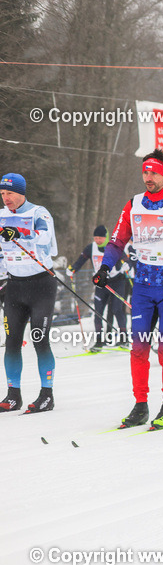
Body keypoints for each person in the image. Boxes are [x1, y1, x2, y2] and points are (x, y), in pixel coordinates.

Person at [97, 150, 163, 428]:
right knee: (138, 349)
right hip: (142, 286)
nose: (148, 177)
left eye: (153, 172)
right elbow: (117, 241)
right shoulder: (134, 204)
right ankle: (140, 405)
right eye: (145, 171)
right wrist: (105, 267)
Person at [0, 172, 58, 413]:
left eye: (10, 193)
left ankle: (47, 395)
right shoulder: (1, 216)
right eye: (2, 193)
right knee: (12, 342)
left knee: (39, 340)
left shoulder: (38, 213)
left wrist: (20, 233)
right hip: (15, 286)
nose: (6, 198)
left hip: (41, 285)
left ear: (21, 193)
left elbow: (45, 238)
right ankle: (13, 395)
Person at [68, 224, 130, 351]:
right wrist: (72, 269)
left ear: (106, 237)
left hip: (117, 281)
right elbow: (80, 261)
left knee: (117, 309)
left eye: (100, 238)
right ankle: (99, 341)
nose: (98, 240)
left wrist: (126, 265)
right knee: (98, 312)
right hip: (101, 283)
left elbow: (126, 259)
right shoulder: (91, 248)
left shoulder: (114, 246)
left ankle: (124, 339)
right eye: (95, 238)